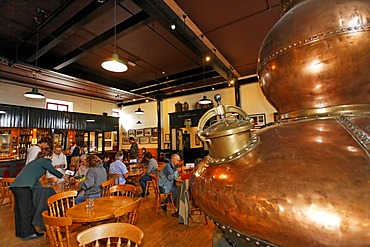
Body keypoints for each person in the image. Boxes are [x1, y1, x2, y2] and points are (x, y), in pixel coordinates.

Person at [10, 149, 66, 240]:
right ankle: (28, 233)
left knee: (19, 211)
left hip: (16, 186)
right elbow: (53, 170)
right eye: (51, 157)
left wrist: (42, 189)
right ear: (49, 156)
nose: (51, 160)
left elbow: (34, 179)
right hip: (24, 187)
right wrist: (63, 176)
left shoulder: (34, 162)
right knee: (27, 210)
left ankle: (21, 232)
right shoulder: (45, 161)